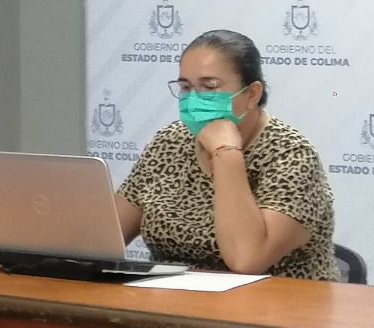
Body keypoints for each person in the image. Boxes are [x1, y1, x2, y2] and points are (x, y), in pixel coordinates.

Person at [115, 29, 336, 280]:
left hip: (274, 300)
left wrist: (226, 153)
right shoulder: (169, 142)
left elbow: (246, 260)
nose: (193, 100)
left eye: (209, 87)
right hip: (169, 297)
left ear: (252, 94)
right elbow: (104, 237)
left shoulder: (292, 155)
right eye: (186, 87)